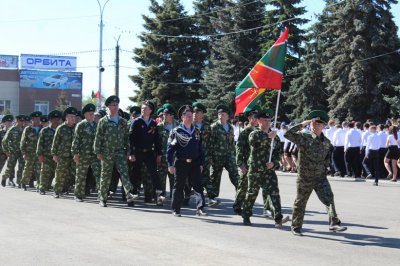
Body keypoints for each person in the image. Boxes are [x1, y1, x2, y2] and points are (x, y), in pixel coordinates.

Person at [285, 110, 347, 236]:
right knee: (300, 201)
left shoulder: (327, 142)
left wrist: (325, 170)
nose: (315, 125)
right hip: (304, 177)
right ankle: (296, 226)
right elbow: (288, 134)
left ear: (323, 125)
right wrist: (302, 124)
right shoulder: (303, 137)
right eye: (313, 122)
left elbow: (327, 159)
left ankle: (333, 223)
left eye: (318, 123)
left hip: (320, 177)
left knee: (329, 198)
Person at [241, 109, 289, 227]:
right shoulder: (254, 133)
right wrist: (268, 136)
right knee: (252, 192)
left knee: (274, 193)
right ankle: (246, 215)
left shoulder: (275, 138)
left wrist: (274, 163)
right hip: (256, 169)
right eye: (264, 120)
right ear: (258, 121)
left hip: (269, 170)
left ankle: (278, 218)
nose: (267, 122)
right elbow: (253, 143)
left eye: (269, 120)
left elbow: (278, 153)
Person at [94, 96, 137, 207]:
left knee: (124, 174)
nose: (115, 106)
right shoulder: (103, 121)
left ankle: (129, 195)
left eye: (117, 104)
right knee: (105, 175)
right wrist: (98, 152)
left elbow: (126, 137)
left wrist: (128, 150)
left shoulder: (123, 121)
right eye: (113, 105)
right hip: (107, 152)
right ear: (108, 106)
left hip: (120, 152)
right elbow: (98, 137)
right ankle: (103, 198)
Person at [166, 105, 207, 217]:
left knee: (198, 186)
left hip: (195, 163)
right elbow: (170, 149)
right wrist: (170, 164)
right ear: (182, 117)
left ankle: (200, 208)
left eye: (190, 116)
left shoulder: (197, 131)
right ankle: (176, 209)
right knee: (179, 186)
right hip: (181, 163)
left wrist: (201, 163)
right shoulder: (176, 131)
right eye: (187, 116)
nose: (189, 118)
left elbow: (200, 149)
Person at [233, 106, 272, 217]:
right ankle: (237, 205)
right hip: (248, 163)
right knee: (244, 186)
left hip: (261, 164)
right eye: (253, 117)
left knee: (266, 187)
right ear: (249, 118)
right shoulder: (246, 131)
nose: (255, 119)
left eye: (257, 117)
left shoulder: (263, 131)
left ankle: (267, 209)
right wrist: (240, 163)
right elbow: (239, 147)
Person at [129, 100, 165, 205]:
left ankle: (159, 198)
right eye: (142, 108)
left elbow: (156, 140)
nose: (143, 110)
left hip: (149, 152)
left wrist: (158, 154)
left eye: (145, 108)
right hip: (138, 152)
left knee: (154, 174)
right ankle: (131, 198)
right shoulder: (136, 122)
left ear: (150, 110)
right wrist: (131, 153)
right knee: (135, 175)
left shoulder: (153, 123)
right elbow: (131, 138)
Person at [207, 104, 238, 206]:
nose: (220, 115)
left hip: (229, 156)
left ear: (227, 116)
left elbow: (232, 143)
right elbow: (210, 143)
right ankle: (212, 198)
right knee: (215, 177)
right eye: (219, 114)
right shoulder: (214, 127)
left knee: (235, 174)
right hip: (216, 156)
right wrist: (210, 157)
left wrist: (234, 155)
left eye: (223, 114)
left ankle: (240, 194)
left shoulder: (230, 128)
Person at [72, 103, 101, 202]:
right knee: (81, 175)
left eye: (93, 113)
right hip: (83, 155)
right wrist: (75, 153)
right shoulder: (81, 125)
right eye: (89, 113)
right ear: (85, 114)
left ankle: (101, 195)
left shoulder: (97, 125)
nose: (92, 115)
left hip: (94, 155)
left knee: (99, 174)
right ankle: (78, 195)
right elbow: (76, 140)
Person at [52, 107, 77, 198]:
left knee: (74, 174)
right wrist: (54, 154)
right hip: (63, 156)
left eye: (74, 117)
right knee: (60, 174)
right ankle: (57, 191)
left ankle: (71, 190)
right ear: (66, 117)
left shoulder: (77, 128)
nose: (73, 119)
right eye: (71, 117)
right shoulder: (61, 128)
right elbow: (55, 142)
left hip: (74, 156)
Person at [37, 110, 62, 194]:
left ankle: (57, 189)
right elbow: (40, 143)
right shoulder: (45, 130)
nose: (56, 120)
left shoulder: (62, 130)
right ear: (50, 120)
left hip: (59, 156)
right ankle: (42, 188)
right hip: (47, 156)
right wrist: (40, 154)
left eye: (58, 119)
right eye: (54, 119)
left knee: (58, 173)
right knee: (45, 172)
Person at [157, 104, 178, 199]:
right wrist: (158, 154)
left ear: (172, 115)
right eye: (163, 114)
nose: (164, 116)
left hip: (175, 157)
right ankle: (161, 197)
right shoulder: (159, 127)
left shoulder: (178, 126)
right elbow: (156, 143)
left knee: (174, 178)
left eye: (166, 114)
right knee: (161, 177)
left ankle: (174, 197)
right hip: (162, 156)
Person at [20, 111, 43, 190]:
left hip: (39, 153)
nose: (37, 120)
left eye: (38, 118)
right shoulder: (28, 129)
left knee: (39, 170)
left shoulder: (42, 129)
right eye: (35, 118)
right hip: (29, 153)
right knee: (27, 169)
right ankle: (23, 183)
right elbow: (22, 142)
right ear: (32, 119)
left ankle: (39, 185)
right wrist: (24, 153)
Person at [2, 114, 26, 187]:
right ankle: (4, 178)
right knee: (10, 167)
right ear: (17, 121)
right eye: (20, 121)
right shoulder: (12, 129)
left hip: (22, 152)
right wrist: (6, 151)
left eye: (23, 121)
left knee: (21, 167)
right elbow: (4, 141)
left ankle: (19, 182)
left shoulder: (25, 129)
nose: (22, 122)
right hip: (13, 151)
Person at [0, 115, 14, 187]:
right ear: (4, 123)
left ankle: (11, 180)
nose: (9, 123)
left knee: (11, 167)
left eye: (10, 122)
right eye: (8, 122)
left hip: (11, 153)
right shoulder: (1, 132)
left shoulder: (14, 132)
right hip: (2, 153)